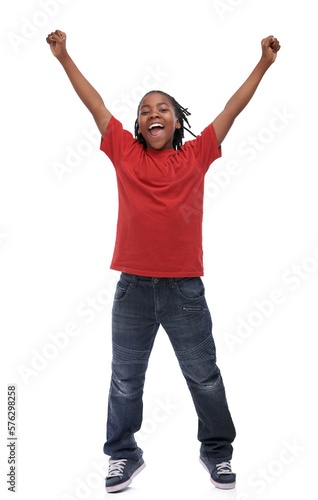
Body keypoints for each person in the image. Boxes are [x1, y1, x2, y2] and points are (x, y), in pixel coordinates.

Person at [46, 30, 280, 493]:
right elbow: (94, 104)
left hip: (184, 291)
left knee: (205, 377)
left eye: (163, 109)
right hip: (132, 288)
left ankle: (217, 452)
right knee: (125, 380)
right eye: (145, 111)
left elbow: (232, 108)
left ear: (177, 123)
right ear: (136, 127)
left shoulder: (196, 155)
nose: (154, 114)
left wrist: (264, 64)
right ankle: (122, 455)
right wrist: (64, 56)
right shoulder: (124, 152)